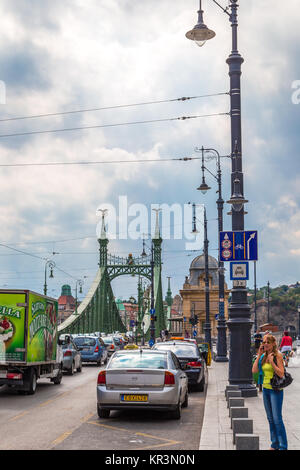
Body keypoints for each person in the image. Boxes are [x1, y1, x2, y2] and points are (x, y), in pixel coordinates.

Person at [252, 334, 288, 450]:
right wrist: (258, 355)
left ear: (273, 343)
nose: (265, 344)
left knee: (277, 419)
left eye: (268, 342)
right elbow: (254, 370)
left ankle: (283, 446)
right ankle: (274, 444)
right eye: (264, 342)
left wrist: (272, 362)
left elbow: (281, 373)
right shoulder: (263, 356)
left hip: (276, 390)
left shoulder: (277, 356)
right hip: (266, 390)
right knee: (270, 418)